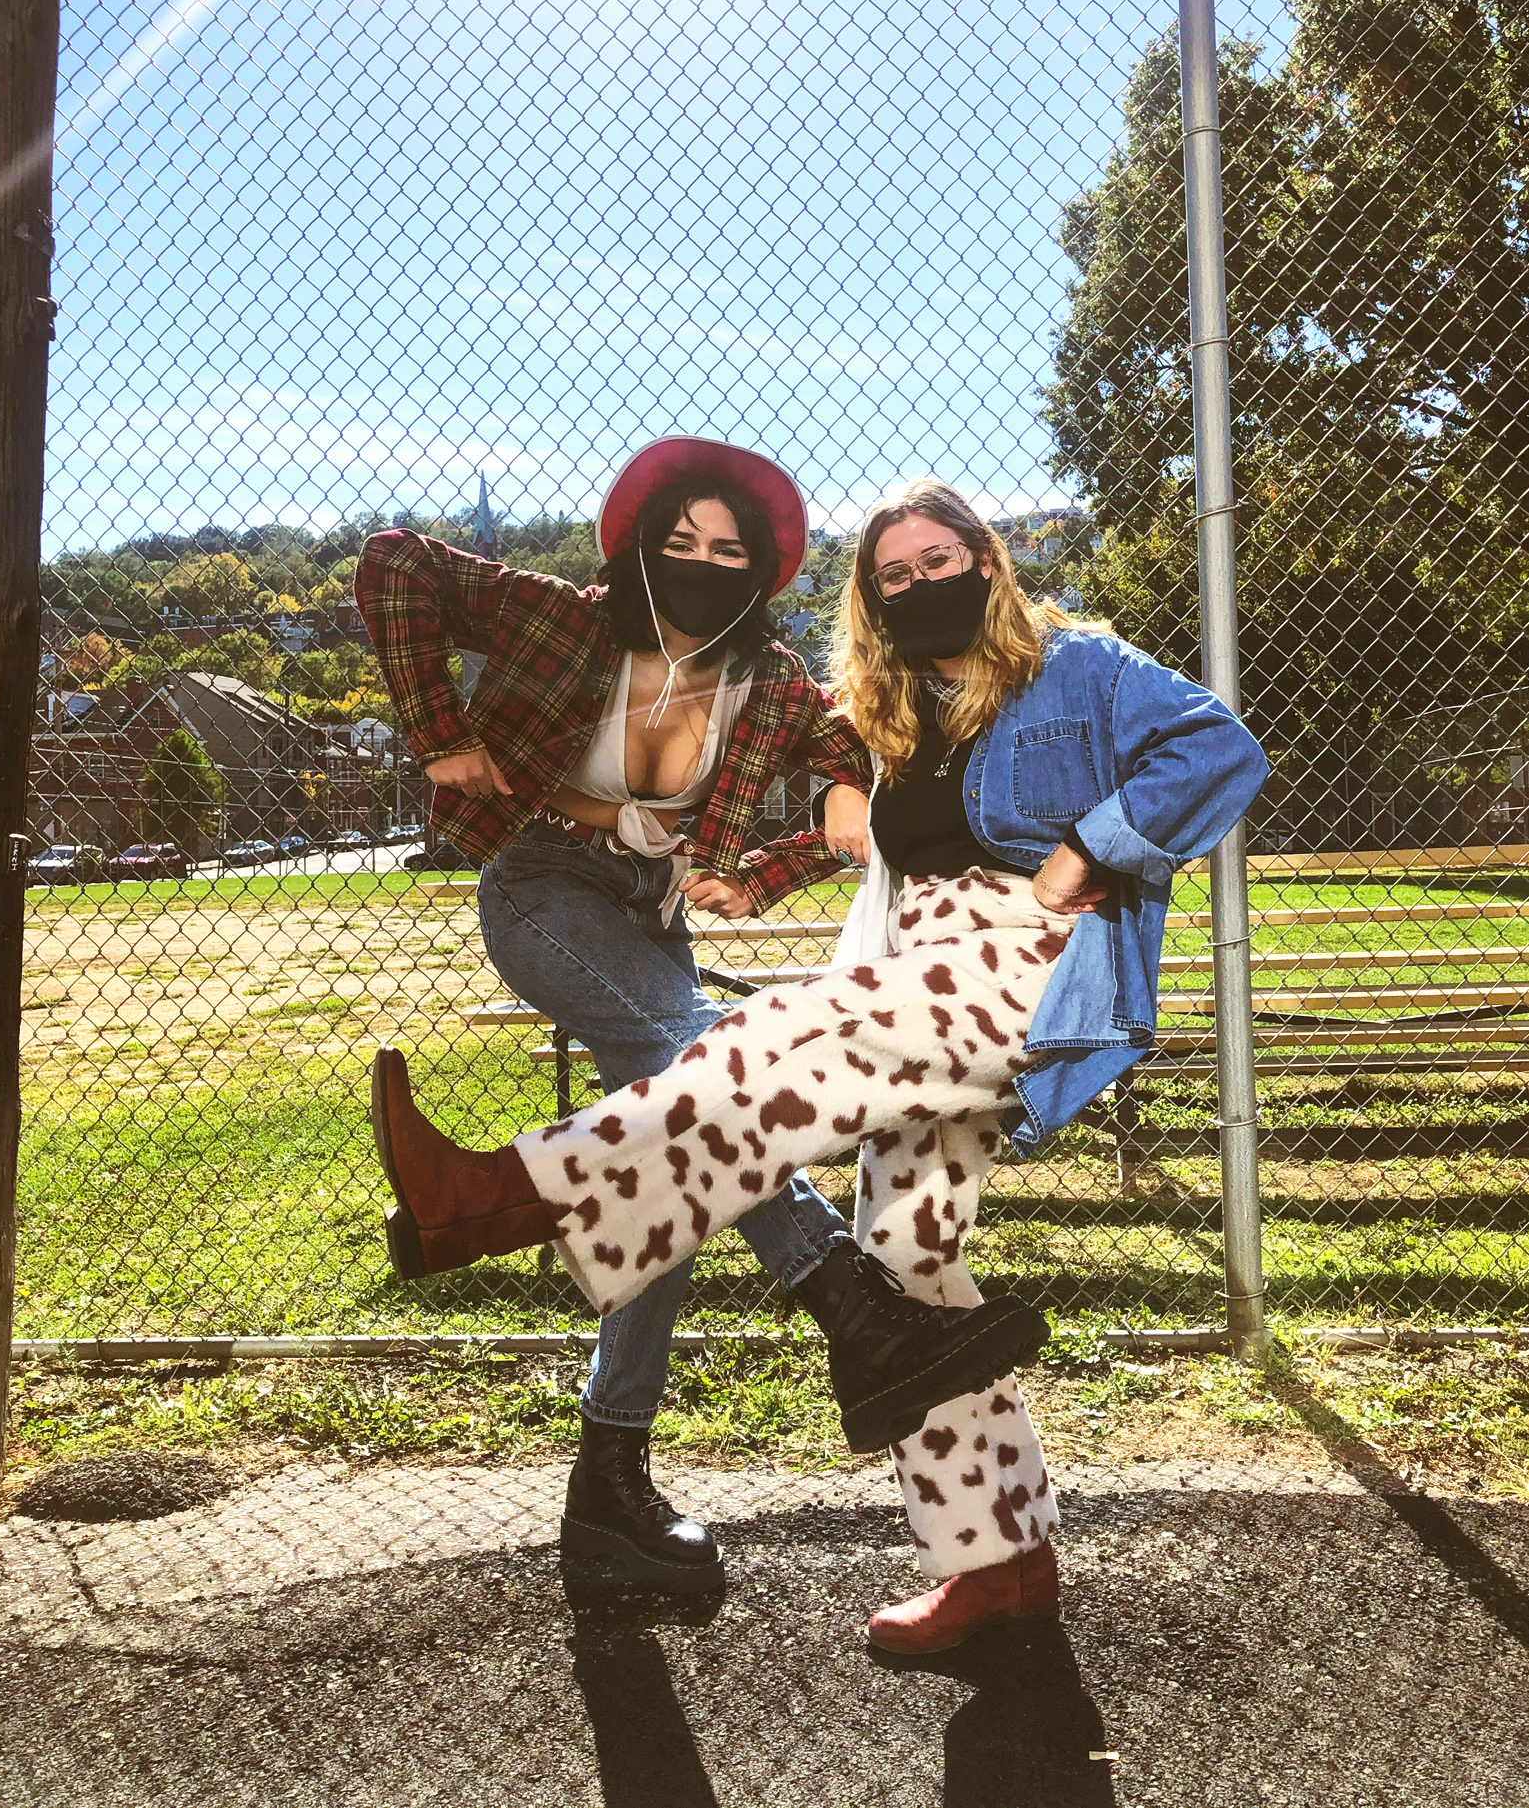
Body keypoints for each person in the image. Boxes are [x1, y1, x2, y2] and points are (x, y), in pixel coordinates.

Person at [368, 476, 1268, 1647]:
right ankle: (996, 1563)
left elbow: (1218, 747)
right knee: (908, 1261)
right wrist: (767, 870)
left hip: (1022, 964)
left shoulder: (1081, 667)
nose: (920, 586)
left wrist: (1085, 853)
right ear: (873, 602)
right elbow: (869, 827)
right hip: (917, 957)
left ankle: (504, 1196)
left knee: (773, 1032)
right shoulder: (897, 705)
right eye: (893, 576)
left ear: (988, 561)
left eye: (941, 561)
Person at [355, 442, 1049, 1594]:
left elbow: (848, 745)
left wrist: (782, 850)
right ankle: (853, 1312)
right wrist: (437, 731)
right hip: (541, 889)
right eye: (680, 543)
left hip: (656, 917)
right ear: (640, 545)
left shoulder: (766, 678)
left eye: (727, 550)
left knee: (682, 1179)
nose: (701, 563)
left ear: (761, 568)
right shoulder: (564, 620)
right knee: (705, 1070)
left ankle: (607, 1497)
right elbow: (394, 566)